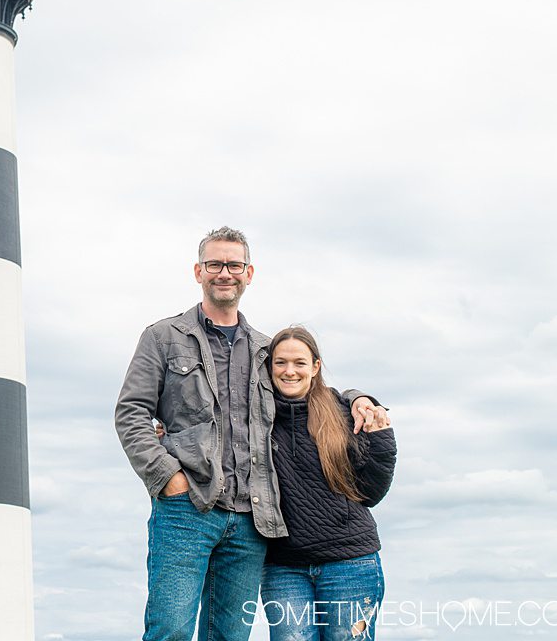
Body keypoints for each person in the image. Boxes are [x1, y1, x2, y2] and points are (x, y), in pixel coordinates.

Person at [115, 226, 388, 641]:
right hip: (186, 509)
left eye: (234, 264)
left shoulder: (264, 349)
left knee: (229, 635)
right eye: (215, 264)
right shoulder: (163, 337)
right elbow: (131, 411)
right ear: (198, 271)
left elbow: (309, 386)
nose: (225, 272)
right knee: (169, 629)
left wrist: (358, 397)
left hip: (249, 520)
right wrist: (166, 476)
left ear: (249, 273)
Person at [260, 327, 396, 640]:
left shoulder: (342, 413)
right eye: (280, 363)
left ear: (316, 367)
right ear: (269, 368)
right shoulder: (256, 418)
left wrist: (381, 437)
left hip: (351, 563)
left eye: (299, 362)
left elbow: (371, 492)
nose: (289, 371)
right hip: (284, 567)